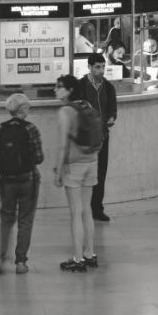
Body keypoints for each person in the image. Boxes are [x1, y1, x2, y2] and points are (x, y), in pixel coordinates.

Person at [53, 74, 99, 272]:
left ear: (70, 90)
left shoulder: (65, 111)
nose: (56, 90)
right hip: (92, 161)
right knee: (87, 210)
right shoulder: (88, 106)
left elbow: (63, 144)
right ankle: (90, 254)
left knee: (75, 213)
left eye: (60, 87)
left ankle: (78, 259)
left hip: (74, 165)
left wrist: (58, 170)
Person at [78, 53, 117, 223]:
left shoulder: (108, 87)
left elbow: (112, 108)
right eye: (97, 67)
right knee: (86, 173)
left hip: (102, 136)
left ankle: (97, 208)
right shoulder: (81, 85)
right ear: (90, 67)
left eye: (103, 67)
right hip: (86, 137)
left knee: (101, 172)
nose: (101, 70)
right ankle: (84, 207)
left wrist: (111, 117)